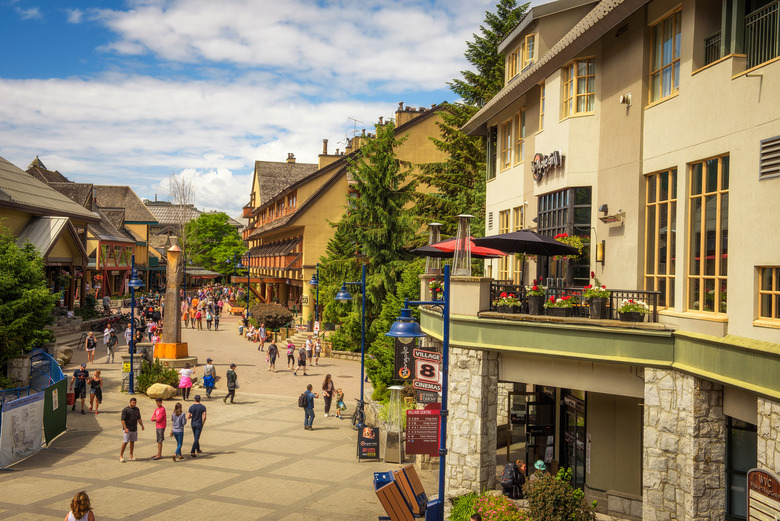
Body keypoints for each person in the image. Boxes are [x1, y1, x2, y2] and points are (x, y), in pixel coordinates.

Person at [119, 397, 144, 462]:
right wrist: (125, 428)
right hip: (127, 429)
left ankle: (131, 455)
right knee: (125, 442)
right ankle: (121, 456)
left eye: (135, 403)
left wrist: (142, 425)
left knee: (132, 442)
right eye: (133, 403)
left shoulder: (137, 409)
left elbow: (139, 418)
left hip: (134, 428)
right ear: (130, 402)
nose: (134, 404)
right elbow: (122, 420)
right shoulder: (125, 410)